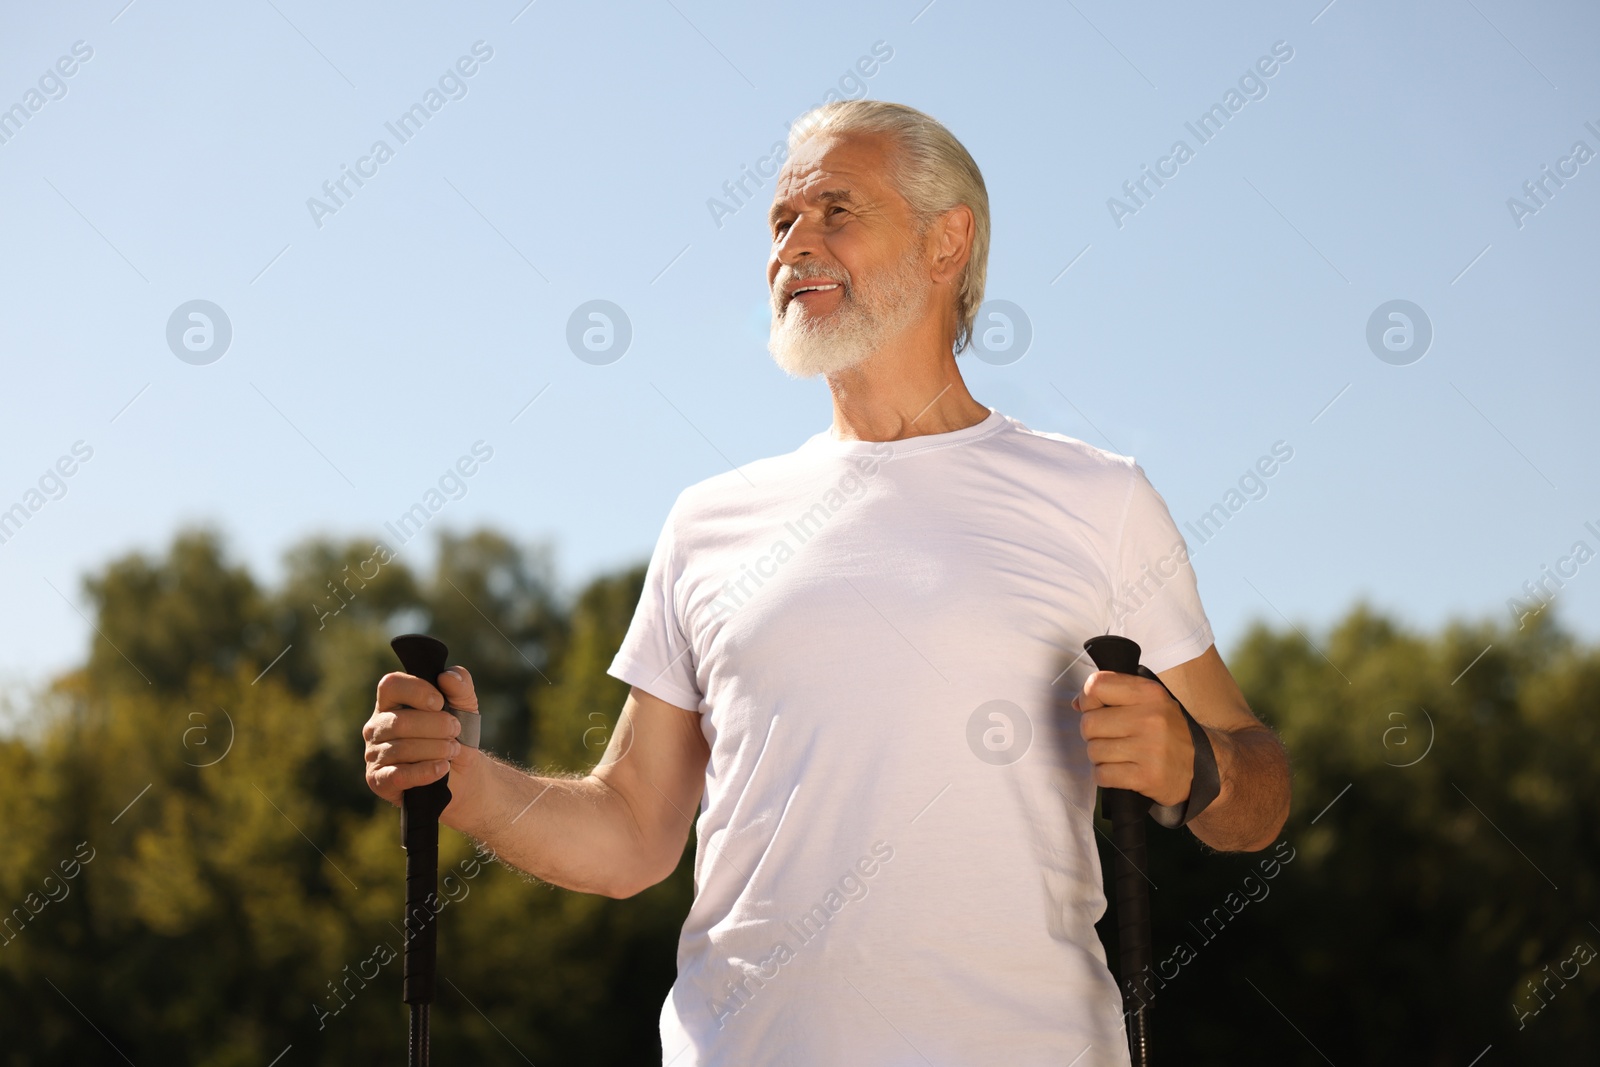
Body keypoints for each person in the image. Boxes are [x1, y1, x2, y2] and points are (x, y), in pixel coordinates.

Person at [363, 99, 1291, 1066]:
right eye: (779, 224)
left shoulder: (1099, 498)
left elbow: (1259, 791)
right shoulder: (708, 521)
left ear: (948, 241)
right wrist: (458, 780)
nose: (793, 245)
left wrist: (1195, 762)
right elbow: (635, 830)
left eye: (835, 212)